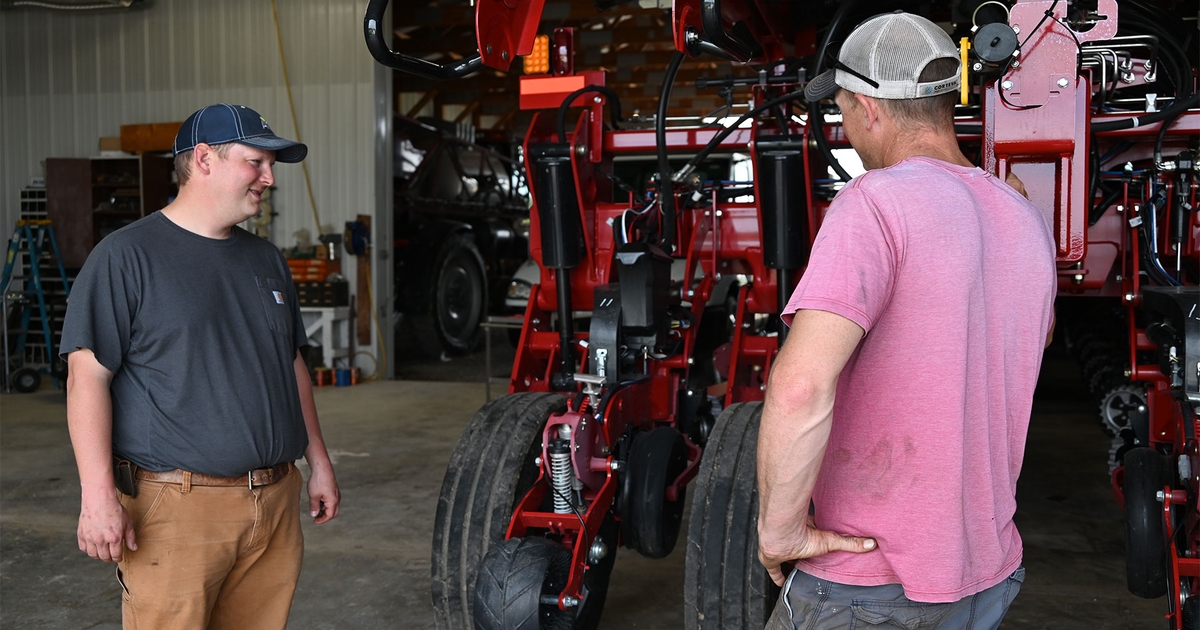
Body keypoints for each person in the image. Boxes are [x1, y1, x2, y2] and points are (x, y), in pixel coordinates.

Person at [756, 12, 1057, 630]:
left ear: (868, 108)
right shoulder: (1023, 216)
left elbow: (800, 386)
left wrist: (780, 529)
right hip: (984, 576)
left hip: (869, 584)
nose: (845, 128)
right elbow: (1028, 342)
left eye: (842, 110)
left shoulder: (873, 203)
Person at [62, 103, 341, 630]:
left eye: (271, 165)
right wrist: (97, 497)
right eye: (256, 162)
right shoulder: (126, 257)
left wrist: (318, 461)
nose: (269, 178)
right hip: (178, 508)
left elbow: (289, 364)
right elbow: (87, 378)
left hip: (274, 503)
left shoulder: (266, 259)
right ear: (205, 159)